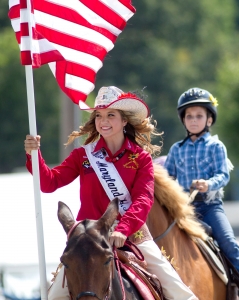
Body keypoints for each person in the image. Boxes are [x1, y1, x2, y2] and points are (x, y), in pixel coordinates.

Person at [24, 86, 197, 300]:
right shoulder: (83, 156)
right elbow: (50, 183)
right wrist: (34, 155)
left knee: (179, 292)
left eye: (110, 115)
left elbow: (143, 199)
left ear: (124, 121)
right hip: (89, 237)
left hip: (132, 235)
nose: (103, 121)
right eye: (99, 115)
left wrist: (123, 229)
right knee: (54, 297)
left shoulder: (141, 159)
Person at [164, 87, 239, 300]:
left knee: (227, 241)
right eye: (189, 116)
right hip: (184, 209)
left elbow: (223, 175)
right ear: (183, 120)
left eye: (199, 116)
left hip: (209, 207)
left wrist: (208, 184)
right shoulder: (176, 149)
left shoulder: (217, 146)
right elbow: (166, 178)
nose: (194, 120)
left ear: (209, 119)